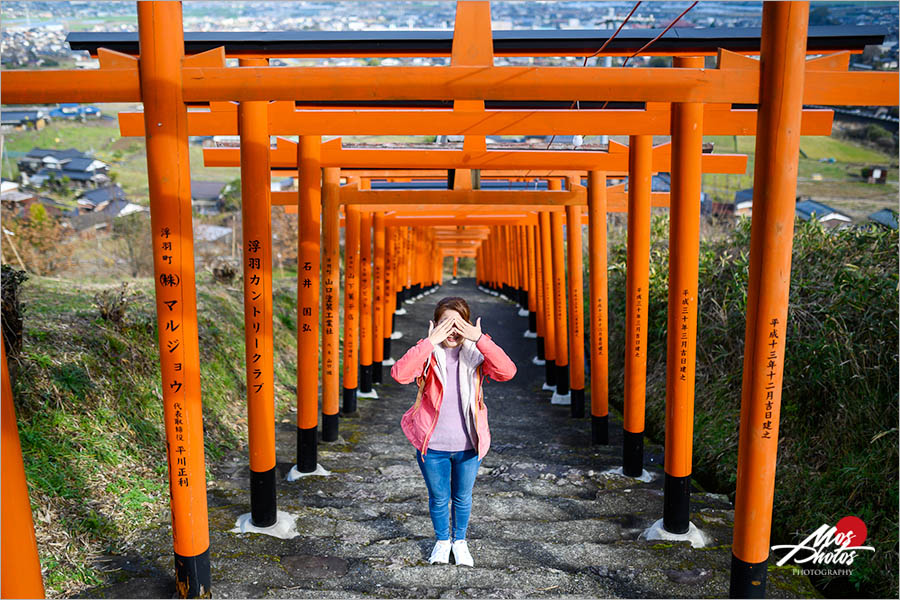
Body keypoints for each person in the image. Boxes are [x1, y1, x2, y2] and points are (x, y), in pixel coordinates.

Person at [391, 297, 516, 567]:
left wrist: (480, 338)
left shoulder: (475, 354)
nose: (453, 331)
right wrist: (429, 342)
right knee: (438, 498)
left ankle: (460, 541)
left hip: (469, 445)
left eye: (459, 324)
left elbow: (507, 371)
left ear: (468, 326)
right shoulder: (428, 354)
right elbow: (400, 374)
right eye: (446, 324)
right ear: (435, 326)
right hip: (432, 445)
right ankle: (441, 541)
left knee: (462, 497)